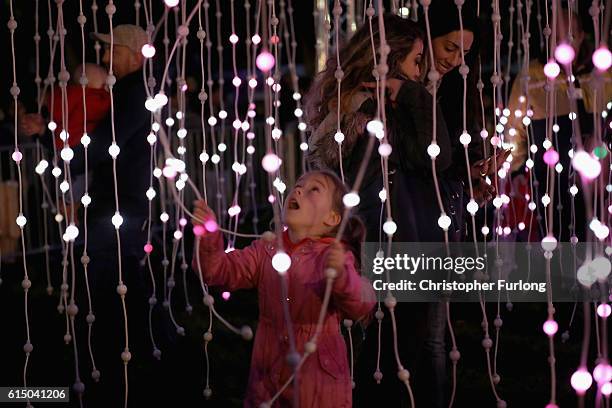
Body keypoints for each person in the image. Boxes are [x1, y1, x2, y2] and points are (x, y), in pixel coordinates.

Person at [305, 7, 492, 408]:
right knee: (398, 352)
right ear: (390, 59)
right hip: (398, 240)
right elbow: (431, 156)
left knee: (401, 349)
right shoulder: (377, 106)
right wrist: (411, 93)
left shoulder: (366, 102)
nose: (427, 68)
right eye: (418, 59)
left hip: (401, 236)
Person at [20, 24, 154, 407]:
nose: (106, 58)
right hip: (116, 200)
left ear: (131, 53)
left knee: (106, 283)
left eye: (112, 49)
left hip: (118, 205)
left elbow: (100, 148)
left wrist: (49, 140)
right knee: (123, 278)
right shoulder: (127, 91)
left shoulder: (133, 93)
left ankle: (114, 367)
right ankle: (134, 355)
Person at [192, 170, 376, 407]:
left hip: (317, 383)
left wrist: (341, 277)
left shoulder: (334, 256)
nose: (298, 190)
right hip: (268, 378)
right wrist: (209, 236)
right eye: (298, 185)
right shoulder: (266, 250)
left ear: (331, 218)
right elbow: (218, 271)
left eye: (314, 189)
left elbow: (361, 303)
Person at [507, 8, 612, 242]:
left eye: (571, 35)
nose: (563, 42)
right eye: (555, 35)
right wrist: (514, 171)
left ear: (583, 35)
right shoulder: (531, 77)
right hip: (550, 184)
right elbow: (513, 132)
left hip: (600, 183)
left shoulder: (603, 74)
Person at [49, 63, 111, 149]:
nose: (108, 88)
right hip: (79, 143)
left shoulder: (69, 97)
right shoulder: (93, 98)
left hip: (65, 141)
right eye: (105, 85)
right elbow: (106, 109)